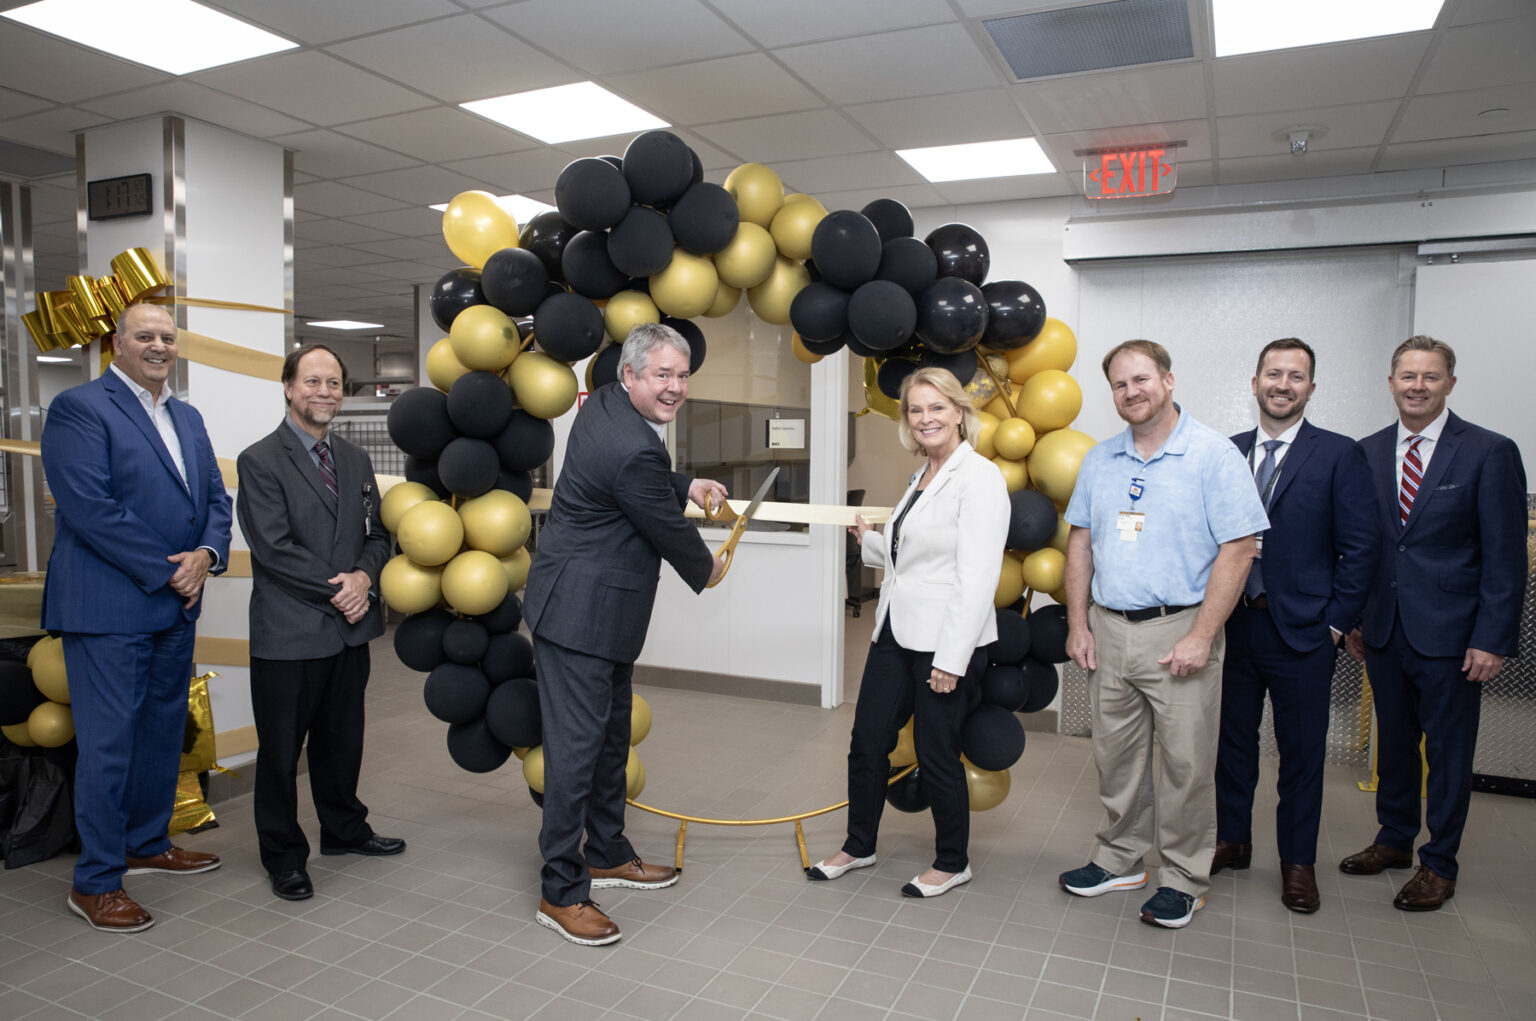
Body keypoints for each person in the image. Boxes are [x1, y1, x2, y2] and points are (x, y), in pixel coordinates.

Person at [522, 322, 727, 946]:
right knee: (576, 754)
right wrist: (707, 567)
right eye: (661, 375)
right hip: (579, 616)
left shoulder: (604, 406)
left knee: (610, 741)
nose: (675, 388)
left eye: (682, 375)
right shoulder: (633, 445)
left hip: (599, 612)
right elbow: (663, 523)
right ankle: (561, 891)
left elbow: (634, 475)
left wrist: (684, 481)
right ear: (630, 375)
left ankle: (607, 850)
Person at [1058, 340, 1268, 929]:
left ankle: (1184, 877)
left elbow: (1240, 547)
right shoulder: (1101, 461)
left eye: (1142, 379)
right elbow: (1081, 541)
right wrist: (1078, 622)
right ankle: (1120, 858)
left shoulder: (1212, 455)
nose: (1132, 392)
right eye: (1120, 385)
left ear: (1169, 381)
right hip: (1109, 629)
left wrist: (1202, 635)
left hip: (1181, 630)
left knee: (1185, 765)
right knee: (1116, 759)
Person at [40, 303, 232, 933]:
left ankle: (146, 842)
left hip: (175, 606)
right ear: (115, 343)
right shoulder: (81, 408)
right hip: (111, 607)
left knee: (158, 737)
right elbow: (89, 507)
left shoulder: (187, 415)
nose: (158, 346)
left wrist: (206, 555)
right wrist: (169, 568)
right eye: (144, 336)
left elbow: (213, 499)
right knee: (108, 745)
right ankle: (95, 881)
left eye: (167, 337)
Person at [1340, 336, 1526, 911]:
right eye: (1407, 376)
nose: (1417, 386)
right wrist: (1353, 620)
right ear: (1391, 382)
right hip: (1385, 630)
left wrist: (1492, 639)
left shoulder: (1489, 451)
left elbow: (1505, 555)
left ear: (1450, 383)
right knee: (1394, 748)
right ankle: (1394, 840)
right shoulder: (1366, 452)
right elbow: (1361, 545)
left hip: (1453, 636)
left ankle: (1438, 862)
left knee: (1446, 754)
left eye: (1430, 376)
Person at [810, 367, 1009, 898]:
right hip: (896, 633)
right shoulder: (920, 476)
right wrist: (872, 541)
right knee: (867, 742)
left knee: (936, 749)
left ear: (960, 412)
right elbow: (911, 561)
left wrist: (951, 658)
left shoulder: (980, 477)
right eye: (916, 410)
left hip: (946, 641)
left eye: (937, 407)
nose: (926, 418)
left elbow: (976, 575)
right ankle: (859, 845)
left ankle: (952, 860)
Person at [1213, 339, 1379, 913]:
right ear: (1254, 381)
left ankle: (1297, 863)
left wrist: (1336, 625)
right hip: (1233, 628)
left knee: (1301, 755)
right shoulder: (1226, 452)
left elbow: (1361, 549)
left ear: (1311, 388)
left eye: (1296, 376)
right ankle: (1232, 840)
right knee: (1231, 745)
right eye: (1273, 374)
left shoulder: (1339, 454)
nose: (1283, 384)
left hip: (1305, 633)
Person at [235, 344, 403, 903]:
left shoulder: (354, 460)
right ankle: (284, 856)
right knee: (282, 754)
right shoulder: (259, 461)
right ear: (288, 387)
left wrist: (365, 576)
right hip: (289, 633)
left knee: (342, 741)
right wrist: (347, 589)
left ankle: (344, 830)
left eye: (333, 382)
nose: (324, 392)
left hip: (348, 632)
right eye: (312, 381)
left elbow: (379, 535)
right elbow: (276, 550)